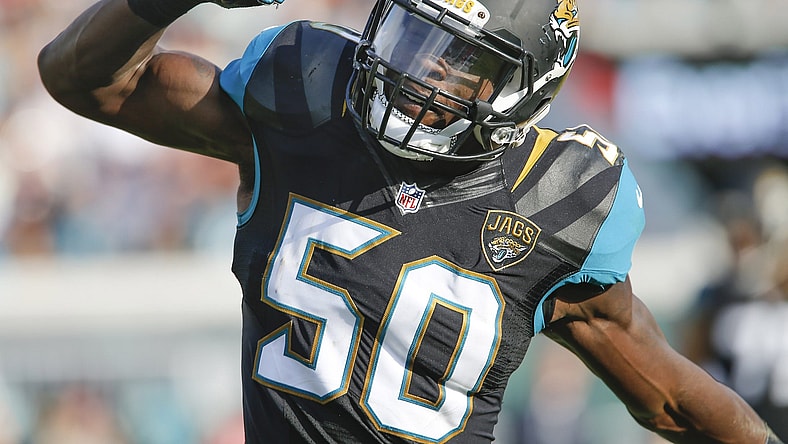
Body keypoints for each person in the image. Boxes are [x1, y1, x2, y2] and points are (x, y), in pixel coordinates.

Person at [37, 0, 783, 442]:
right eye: (414, 37)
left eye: (460, 65)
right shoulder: (301, 104)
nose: (420, 71)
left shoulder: (553, 201)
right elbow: (83, 79)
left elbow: (673, 398)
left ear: (526, 91)